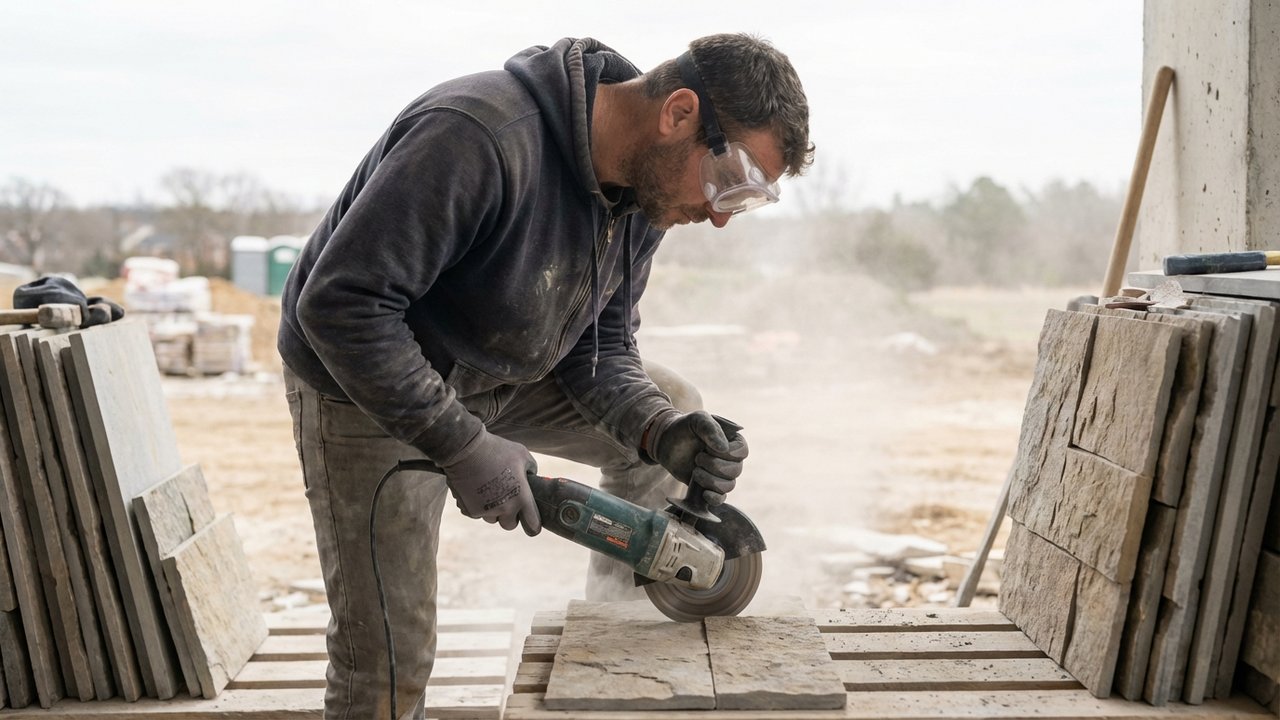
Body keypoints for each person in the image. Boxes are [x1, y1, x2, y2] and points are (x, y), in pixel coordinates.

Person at [278, 33, 813, 719]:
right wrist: (461, 444)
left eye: (743, 200)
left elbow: (602, 348)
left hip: (502, 367)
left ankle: (617, 649)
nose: (718, 215)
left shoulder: (641, 197)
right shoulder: (477, 136)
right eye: (727, 179)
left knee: (673, 399)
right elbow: (341, 306)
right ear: (679, 114)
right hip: (367, 379)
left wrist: (659, 430)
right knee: (391, 655)